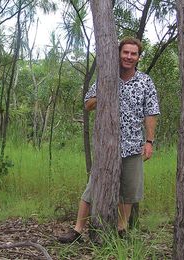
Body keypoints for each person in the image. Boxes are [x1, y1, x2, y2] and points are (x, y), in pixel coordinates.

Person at [58, 37, 160, 243]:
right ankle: (77, 231)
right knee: (92, 188)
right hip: (107, 147)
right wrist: (106, 92)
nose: (129, 57)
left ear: (138, 57)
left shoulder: (145, 82)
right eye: (126, 52)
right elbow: (88, 104)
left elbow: (151, 112)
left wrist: (149, 142)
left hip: (133, 145)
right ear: (119, 54)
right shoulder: (106, 78)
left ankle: (122, 231)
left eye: (133, 54)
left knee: (129, 190)